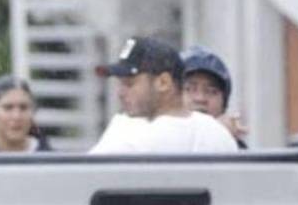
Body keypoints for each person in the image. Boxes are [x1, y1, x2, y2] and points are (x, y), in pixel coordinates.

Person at [89, 36, 240, 154]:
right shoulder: (219, 135)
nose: (120, 93)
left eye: (130, 84)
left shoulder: (127, 136)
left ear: (163, 82)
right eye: (120, 84)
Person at [180, 46, 249, 147]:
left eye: (211, 91)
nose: (200, 98)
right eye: (189, 89)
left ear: (224, 104)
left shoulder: (234, 149)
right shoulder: (156, 138)